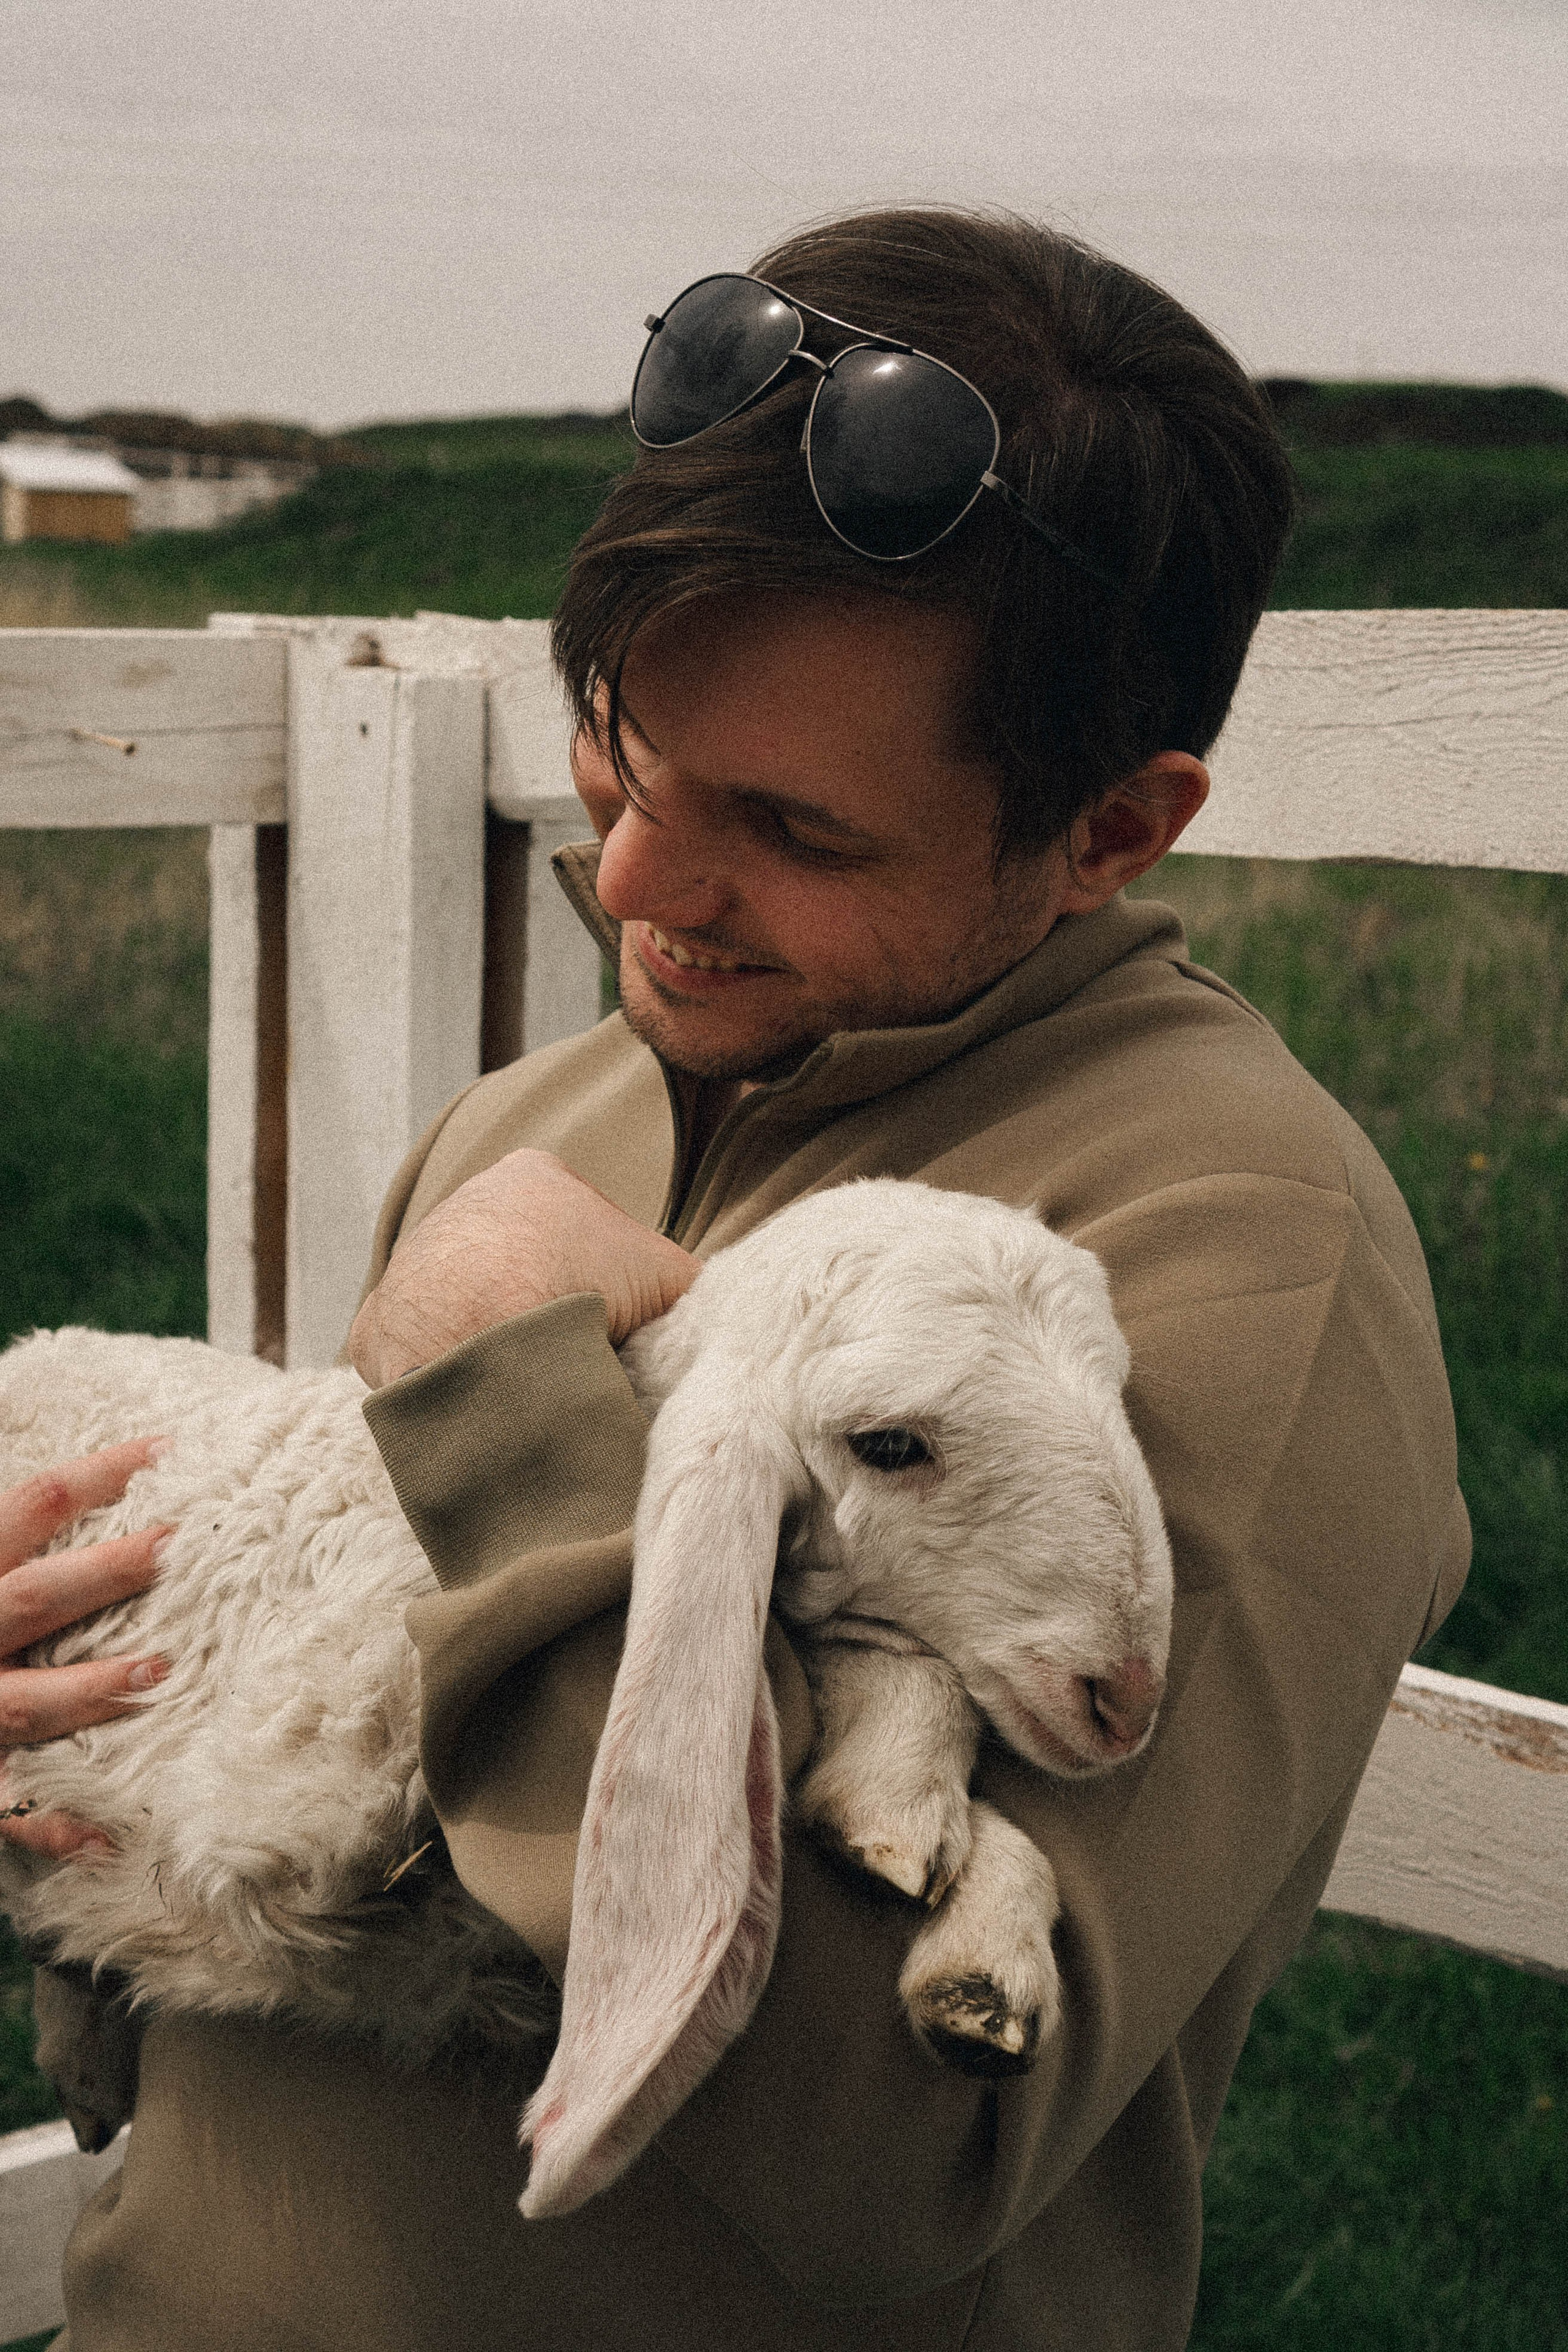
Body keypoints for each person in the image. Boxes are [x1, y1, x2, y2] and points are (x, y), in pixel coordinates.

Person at [1, 209, 1467, 2351]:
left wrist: (513, 1404)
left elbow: (903, 2145)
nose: (639, 881)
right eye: (624, 743)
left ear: (1115, 831)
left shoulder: (1237, 1251)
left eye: (794, 828)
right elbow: (353, 1757)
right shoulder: (544, 1123)